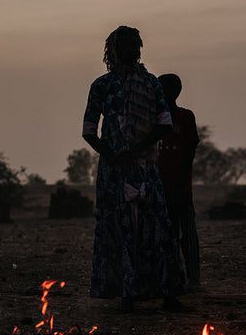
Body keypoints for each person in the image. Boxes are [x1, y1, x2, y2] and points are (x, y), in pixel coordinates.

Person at [82, 26, 188, 312]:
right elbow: (89, 130)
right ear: (113, 50)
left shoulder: (152, 83)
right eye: (126, 45)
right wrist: (113, 155)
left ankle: (167, 293)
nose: (132, 50)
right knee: (121, 228)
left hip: (145, 168)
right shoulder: (101, 86)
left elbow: (164, 123)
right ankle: (127, 295)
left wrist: (140, 148)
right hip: (114, 172)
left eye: (135, 45)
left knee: (158, 227)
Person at [157, 73, 201, 289]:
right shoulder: (153, 117)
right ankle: (172, 278)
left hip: (179, 187)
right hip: (160, 187)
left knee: (186, 233)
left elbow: (189, 152)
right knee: (169, 234)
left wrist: (180, 182)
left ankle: (192, 279)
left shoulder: (185, 117)